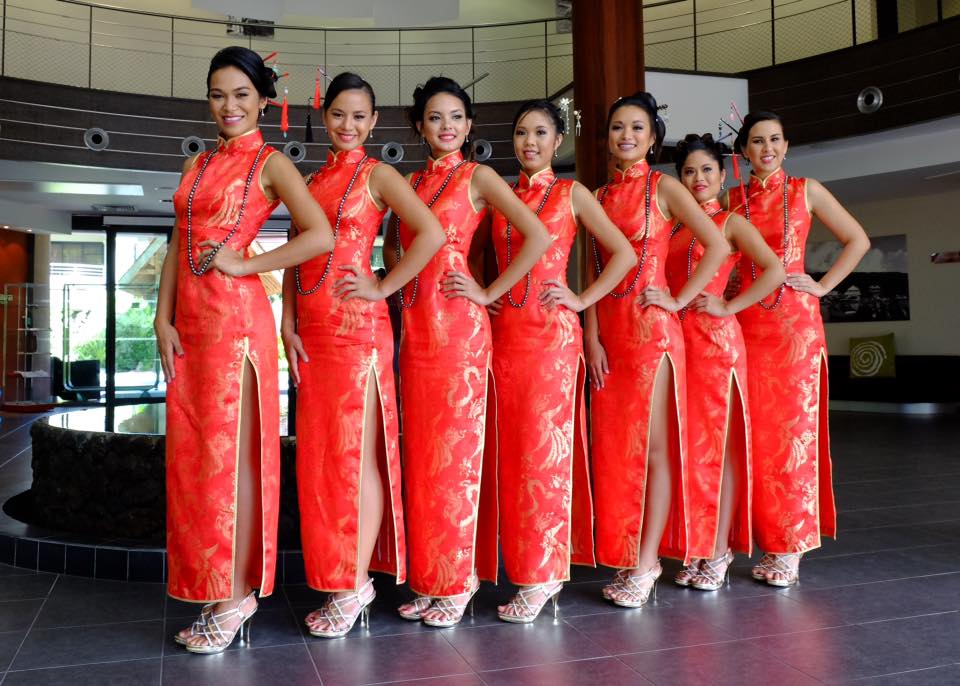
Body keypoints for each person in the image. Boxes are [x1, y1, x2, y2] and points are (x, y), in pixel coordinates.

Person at [156, 46, 334, 654]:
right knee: (196, 465)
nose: (227, 106)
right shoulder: (194, 164)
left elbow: (321, 235)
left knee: (232, 462)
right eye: (216, 94)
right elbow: (178, 242)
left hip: (238, 328)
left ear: (263, 99)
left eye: (240, 94)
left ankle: (235, 598)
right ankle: (214, 589)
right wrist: (160, 317)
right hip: (191, 328)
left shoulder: (271, 162)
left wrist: (247, 262)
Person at [280, 72, 445, 638]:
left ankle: (354, 584)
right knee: (322, 460)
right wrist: (287, 321)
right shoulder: (310, 178)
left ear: (374, 122)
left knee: (359, 456)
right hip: (313, 334)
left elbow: (430, 235)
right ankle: (339, 578)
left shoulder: (379, 175)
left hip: (358, 332)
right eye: (338, 114)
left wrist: (383, 285)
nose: (347, 125)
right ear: (323, 116)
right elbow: (299, 252)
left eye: (359, 116)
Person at [384, 76, 552, 627]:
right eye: (435, 118)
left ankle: (457, 582)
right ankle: (432, 581)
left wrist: (487, 293)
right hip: (417, 333)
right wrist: (393, 279)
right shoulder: (409, 181)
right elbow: (393, 242)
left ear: (470, 125)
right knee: (424, 461)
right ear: (418, 126)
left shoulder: (478, 177)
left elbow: (537, 236)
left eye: (456, 117)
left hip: (460, 334)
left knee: (455, 461)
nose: (447, 127)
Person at [480, 100, 635, 622]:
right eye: (521, 133)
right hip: (502, 337)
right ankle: (522, 567)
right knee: (509, 455)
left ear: (558, 140)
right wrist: (487, 292)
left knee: (543, 458)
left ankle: (542, 577)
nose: (529, 142)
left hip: (550, 339)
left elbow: (624, 254)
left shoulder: (572, 194)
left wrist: (580, 298)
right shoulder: (502, 197)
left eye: (540, 133)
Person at [587, 92, 728, 608]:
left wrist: (678, 298)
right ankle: (628, 555)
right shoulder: (598, 196)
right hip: (611, 337)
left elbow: (716, 244)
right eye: (617, 127)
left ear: (652, 137)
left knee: (654, 450)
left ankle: (646, 563)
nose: (626, 136)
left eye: (637, 128)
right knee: (617, 452)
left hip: (653, 334)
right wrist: (591, 336)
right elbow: (592, 274)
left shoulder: (664, 188)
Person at [728, 111, 870, 586]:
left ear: (786, 146)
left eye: (774, 140)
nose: (766, 149)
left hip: (793, 330)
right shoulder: (732, 199)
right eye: (756, 141)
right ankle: (752, 541)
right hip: (743, 325)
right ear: (743, 151)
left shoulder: (804, 190)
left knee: (791, 440)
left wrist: (823, 285)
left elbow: (858, 239)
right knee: (749, 441)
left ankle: (790, 546)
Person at [666, 133, 784, 590]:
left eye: (707, 170)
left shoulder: (732, 221)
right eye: (689, 172)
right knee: (691, 452)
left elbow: (773, 269)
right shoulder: (676, 224)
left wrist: (727, 307)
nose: (698, 179)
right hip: (679, 342)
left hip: (716, 344)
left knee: (720, 449)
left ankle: (718, 550)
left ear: (722, 174)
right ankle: (698, 546)